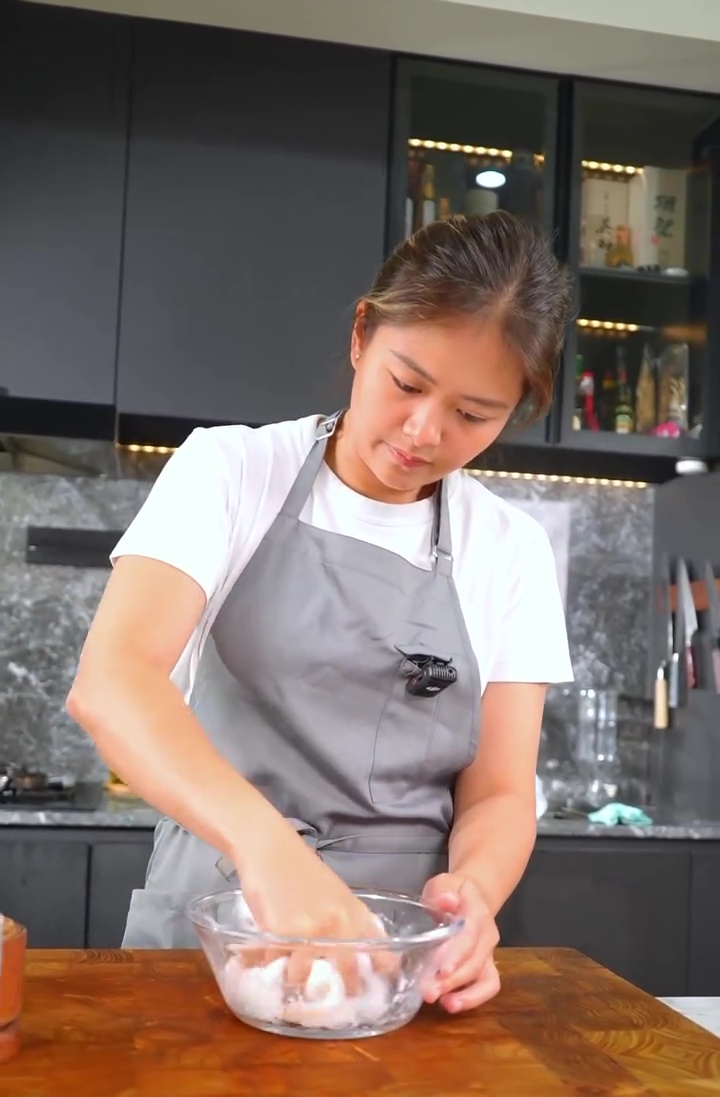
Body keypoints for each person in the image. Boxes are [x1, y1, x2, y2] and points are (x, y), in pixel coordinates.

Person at [67, 211, 574, 1015]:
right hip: (216, 935)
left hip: (398, 968)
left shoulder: (508, 548)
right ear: (362, 335)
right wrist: (270, 852)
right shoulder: (232, 471)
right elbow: (113, 682)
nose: (424, 431)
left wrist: (473, 893)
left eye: (473, 415)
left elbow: (501, 793)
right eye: (407, 383)